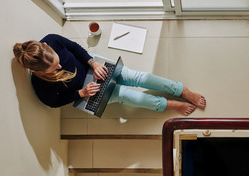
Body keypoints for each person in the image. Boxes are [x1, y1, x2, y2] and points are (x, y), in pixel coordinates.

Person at [13, 34, 206, 116]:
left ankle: (180, 89)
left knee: (137, 77)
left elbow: (75, 48)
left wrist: (94, 63)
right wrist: (81, 93)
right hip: (89, 92)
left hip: (96, 67)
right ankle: (169, 105)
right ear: (38, 71)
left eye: (57, 60)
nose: (61, 66)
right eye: (54, 69)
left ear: (48, 47)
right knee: (125, 96)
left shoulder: (51, 39)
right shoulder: (40, 83)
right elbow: (52, 102)